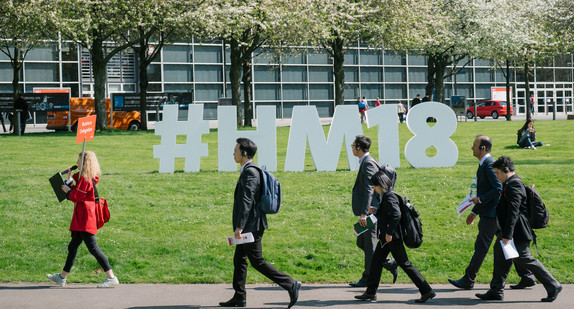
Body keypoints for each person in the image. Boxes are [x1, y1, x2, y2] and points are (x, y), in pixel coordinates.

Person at [219, 138, 301, 308]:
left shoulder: (250, 172)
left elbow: (247, 200)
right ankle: (239, 296)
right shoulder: (248, 170)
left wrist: (239, 226)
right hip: (250, 225)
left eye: (236, 150)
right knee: (239, 259)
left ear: (244, 153)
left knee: (257, 261)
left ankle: (290, 284)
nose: (233, 153)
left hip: (251, 227)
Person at [476, 156, 562, 302]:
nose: (496, 176)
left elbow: (513, 211)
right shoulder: (508, 183)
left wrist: (507, 235)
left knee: (525, 259)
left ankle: (553, 284)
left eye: (497, 173)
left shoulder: (514, 185)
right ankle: (496, 290)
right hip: (507, 230)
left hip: (517, 232)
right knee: (500, 256)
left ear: (506, 170)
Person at [354, 171, 435, 303]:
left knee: (404, 263)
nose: (374, 188)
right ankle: (370, 292)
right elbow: (389, 213)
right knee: (376, 261)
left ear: (381, 184)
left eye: (375, 186)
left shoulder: (389, 196)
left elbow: (395, 215)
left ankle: (426, 290)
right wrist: (376, 211)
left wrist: (389, 233)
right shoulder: (388, 195)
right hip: (388, 237)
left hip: (391, 238)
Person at [47, 151, 119, 288]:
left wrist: (67, 191)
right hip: (82, 216)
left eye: (79, 160)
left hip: (85, 218)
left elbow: (76, 196)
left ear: (85, 163)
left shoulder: (86, 179)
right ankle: (62, 277)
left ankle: (111, 277)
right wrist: (68, 180)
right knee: (73, 246)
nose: (77, 162)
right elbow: (78, 191)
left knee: (93, 248)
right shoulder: (85, 178)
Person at [449, 135, 502, 290]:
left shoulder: (489, 164)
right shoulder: (484, 164)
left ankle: (468, 279)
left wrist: (480, 200)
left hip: (491, 215)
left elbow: (497, 189)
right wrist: (474, 210)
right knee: (508, 246)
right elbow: (485, 190)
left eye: (474, 145)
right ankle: (526, 276)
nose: (472, 148)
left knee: (481, 247)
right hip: (491, 213)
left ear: (483, 148)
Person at [350, 135, 398, 288]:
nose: (351, 147)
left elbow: (371, 187)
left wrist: (365, 213)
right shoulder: (366, 161)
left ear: (358, 147)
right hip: (370, 209)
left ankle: (368, 278)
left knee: (369, 245)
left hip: (371, 211)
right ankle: (388, 263)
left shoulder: (368, 162)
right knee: (361, 242)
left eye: (353, 145)